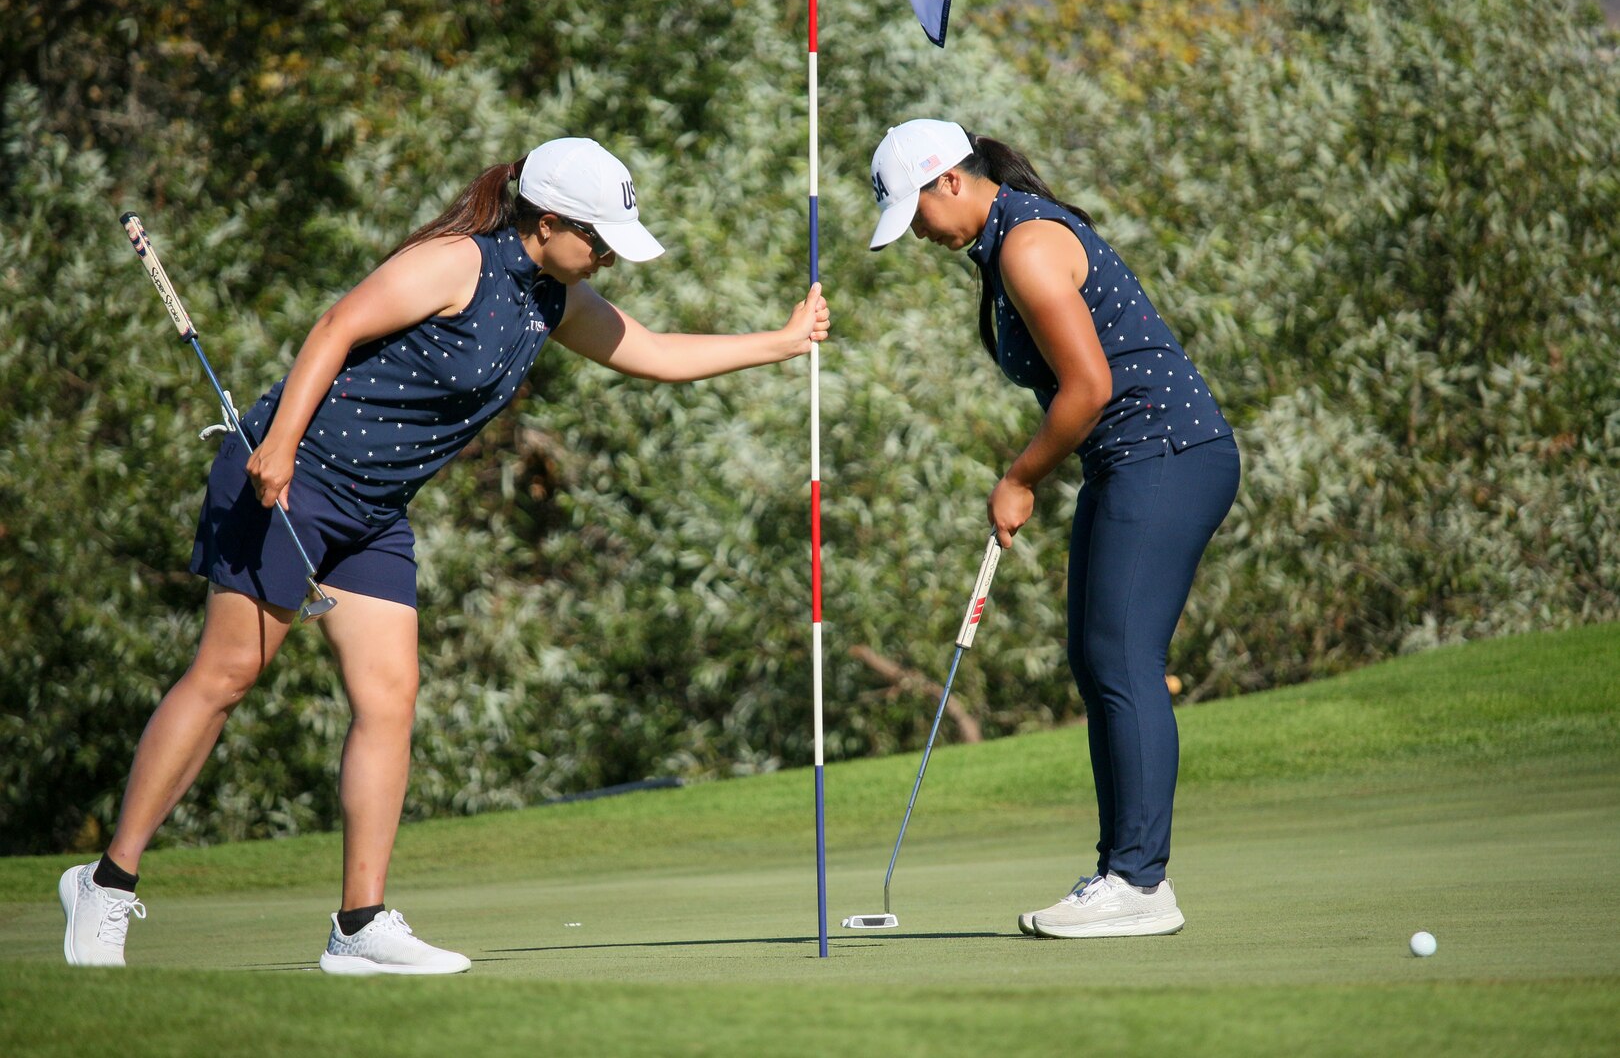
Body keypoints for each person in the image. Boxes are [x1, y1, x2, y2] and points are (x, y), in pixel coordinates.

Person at [60, 137, 830, 974]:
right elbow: (336, 326)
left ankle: (358, 926)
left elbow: (657, 354)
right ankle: (106, 884)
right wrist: (278, 442)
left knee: (390, 700)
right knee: (227, 678)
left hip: (373, 512)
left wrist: (780, 342)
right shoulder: (455, 263)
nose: (607, 257)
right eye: (599, 241)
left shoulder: (552, 298)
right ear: (547, 222)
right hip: (295, 481)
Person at [867, 119, 1238, 939]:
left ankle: (1141, 884)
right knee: (1099, 658)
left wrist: (1019, 477)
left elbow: (1089, 386)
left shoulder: (1027, 245)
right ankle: (1123, 873)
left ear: (951, 182)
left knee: (1122, 658)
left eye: (918, 212)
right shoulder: (1005, 243)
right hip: (1132, 461)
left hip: (1167, 452)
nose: (921, 234)